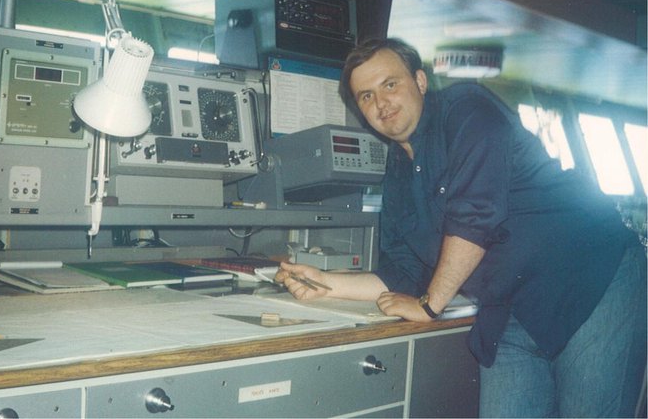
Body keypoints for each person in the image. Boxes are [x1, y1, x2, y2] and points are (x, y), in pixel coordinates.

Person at [275, 38, 646, 417]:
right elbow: (403, 271)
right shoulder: (398, 172)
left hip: (593, 284)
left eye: (390, 84)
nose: (381, 103)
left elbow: (476, 215)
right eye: (366, 96)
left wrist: (430, 305)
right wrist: (323, 283)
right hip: (511, 309)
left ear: (419, 81)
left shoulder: (467, 109)